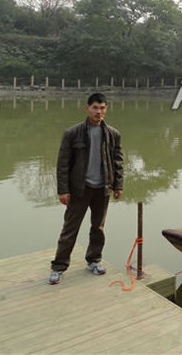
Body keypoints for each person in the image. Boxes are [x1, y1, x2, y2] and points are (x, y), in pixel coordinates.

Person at [48, 93, 124, 285]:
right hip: (79, 189)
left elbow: (118, 161)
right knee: (70, 229)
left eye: (102, 108)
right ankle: (58, 267)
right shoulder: (72, 133)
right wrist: (63, 190)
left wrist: (118, 185)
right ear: (87, 108)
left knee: (98, 228)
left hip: (102, 189)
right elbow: (63, 164)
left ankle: (94, 260)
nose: (99, 112)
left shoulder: (113, 134)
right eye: (95, 108)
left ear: (106, 109)